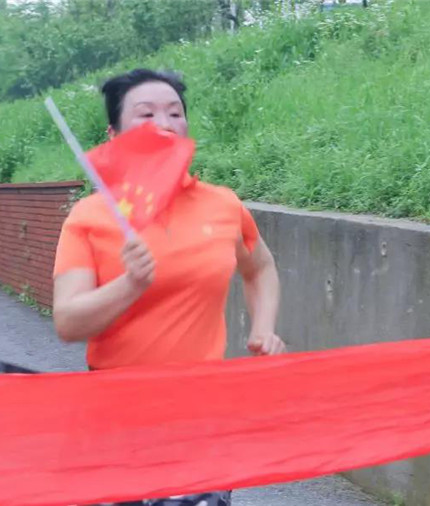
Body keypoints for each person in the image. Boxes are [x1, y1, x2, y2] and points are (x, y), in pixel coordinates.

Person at [52, 69, 285, 506]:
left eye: (175, 113)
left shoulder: (222, 205)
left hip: (200, 416)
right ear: (114, 134)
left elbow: (261, 268)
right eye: (146, 114)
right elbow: (68, 321)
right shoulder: (90, 217)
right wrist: (129, 285)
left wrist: (263, 327)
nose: (164, 122)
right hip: (114, 420)